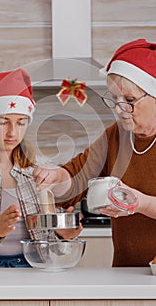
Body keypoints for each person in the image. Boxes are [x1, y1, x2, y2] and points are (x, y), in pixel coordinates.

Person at [33, 38, 156, 267]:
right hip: (126, 272)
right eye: (114, 99)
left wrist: (140, 203)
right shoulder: (116, 137)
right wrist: (56, 177)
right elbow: (74, 181)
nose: (119, 109)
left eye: (129, 100)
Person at [0, 68, 82, 268]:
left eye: (21, 122)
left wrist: (62, 235)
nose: (12, 132)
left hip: (32, 266)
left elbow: (50, 242)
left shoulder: (37, 170)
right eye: (3, 122)